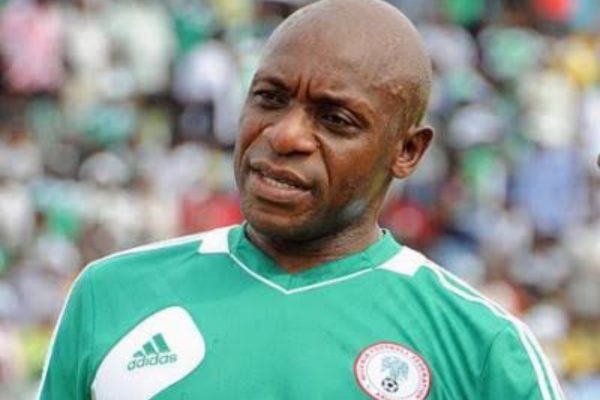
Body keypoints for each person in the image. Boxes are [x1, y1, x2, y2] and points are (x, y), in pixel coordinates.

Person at [38, 0, 565, 399]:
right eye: (269, 98)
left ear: (406, 151)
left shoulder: (483, 349)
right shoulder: (112, 296)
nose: (285, 135)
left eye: (335, 119)